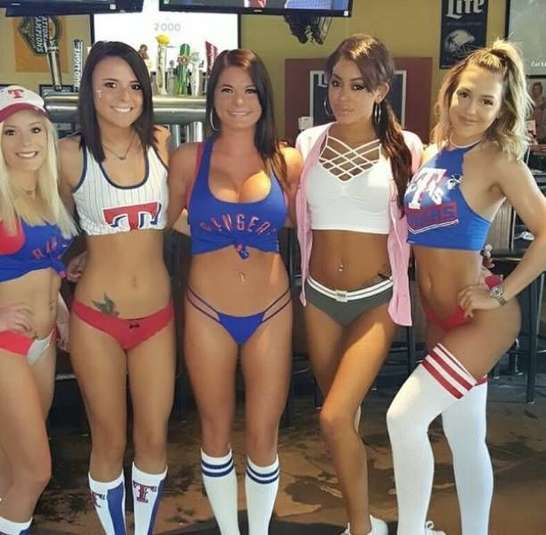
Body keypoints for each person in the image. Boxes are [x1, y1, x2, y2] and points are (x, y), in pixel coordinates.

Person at [386, 40, 546, 535]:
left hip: (482, 319)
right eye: (465, 95)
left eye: (487, 101)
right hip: (441, 318)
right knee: (465, 436)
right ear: (449, 93)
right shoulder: (434, 154)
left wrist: (501, 292)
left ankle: (411, 530)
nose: (472, 109)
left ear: (501, 109)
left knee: (403, 419)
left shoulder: (498, 159)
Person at [167, 48, 301, 535]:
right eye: (226, 89)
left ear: (264, 98)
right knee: (215, 430)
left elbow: (303, 223)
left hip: (271, 310)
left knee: (264, 434)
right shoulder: (188, 159)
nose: (238, 101)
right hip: (207, 311)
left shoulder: (286, 160)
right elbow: (162, 220)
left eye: (249, 90)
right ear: (212, 97)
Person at [295, 34, 422, 535]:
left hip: (376, 299)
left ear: (381, 90)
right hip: (320, 299)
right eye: (336, 83)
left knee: (332, 416)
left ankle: (363, 531)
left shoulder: (406, 148)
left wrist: (474, 257)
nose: (343, 96)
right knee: (341, 422)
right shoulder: (309, 142)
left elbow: (436, 213)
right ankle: (360, 521)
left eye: (358, 86)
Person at [59, 41, 173, 535]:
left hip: (157, 320)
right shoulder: (68, 155)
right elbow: (47, 226)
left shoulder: (161, 143)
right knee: (108, 441)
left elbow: (182, 215)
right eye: (110, 84)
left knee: (154, 439)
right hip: (96, 322)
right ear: (90, 90)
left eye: (133, 86)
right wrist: (71, 259)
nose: (124, 96)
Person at [0, 85, 76, 535]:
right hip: (6, 346)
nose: (25, 142)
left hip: (43, 342)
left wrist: (60, 309)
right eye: (10, 132)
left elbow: (43, 264)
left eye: (34, 130)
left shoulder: (47, 195)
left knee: (11, 469)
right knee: (35, 473)